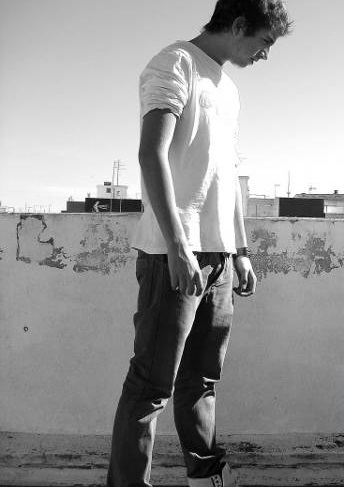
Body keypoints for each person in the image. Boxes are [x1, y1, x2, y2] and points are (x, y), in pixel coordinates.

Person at [107, 2, 292, 487]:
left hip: (220, 258)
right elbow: (151, 154)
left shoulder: (228, 89)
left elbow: (226, 176)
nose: (265, 55)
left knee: (202, 381)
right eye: (264, 43)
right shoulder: (175, 63)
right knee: (151, 385)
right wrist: (177, 246)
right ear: (238, 25)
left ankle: (205, 477)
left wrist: (241, 250)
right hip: (172, 254)